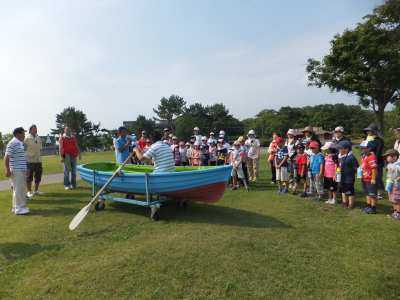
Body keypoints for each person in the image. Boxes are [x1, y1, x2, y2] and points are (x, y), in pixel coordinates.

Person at [4, 127, 30, 215]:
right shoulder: (13, 143)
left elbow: (22, 158)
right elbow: (6, 157)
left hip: (21, 169)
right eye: (23, 133)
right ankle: (19, 208)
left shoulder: (19, 143)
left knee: (19, 189)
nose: (24, 135)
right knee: (19, 189)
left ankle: (16, 207)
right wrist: (7, 169)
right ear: (18, 134)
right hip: (16, 169)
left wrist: (26, 169)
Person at [364, 124, 384, 196]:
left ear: (374, 131)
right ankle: (372, 190)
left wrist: (374, 159)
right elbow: (363, 149)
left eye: (369, 130)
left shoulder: (379, 140)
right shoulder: (367, 139)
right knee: (369, 175)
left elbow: (378, 152)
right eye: (367, 131)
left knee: (377, 176)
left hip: (377, 161)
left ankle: (380, 191)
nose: (368, 132)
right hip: (367, 160)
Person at [337, 141, 358, 209]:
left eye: (340, 148)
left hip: (349, 178)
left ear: (346, 149)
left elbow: (356, 168)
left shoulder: (351, 157)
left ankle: (350, 204)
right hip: (342, 178)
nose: (339, 150)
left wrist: (354, 175)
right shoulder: (340, 157)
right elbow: (339, 166)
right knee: (343, 190)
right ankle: (344, 202)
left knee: (349, 192)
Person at [24, 125, 43, 198]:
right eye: (34, 129)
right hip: (29, 160)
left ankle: (36, 190)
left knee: (38, 176)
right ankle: (29, 191)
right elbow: (24, 149)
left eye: (36, 129)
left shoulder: (38, 138)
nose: (36, 130)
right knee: (29, 177)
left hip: (38, 160)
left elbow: (40, 148)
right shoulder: (27, 138)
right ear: (30, 130)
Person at [360, 140, 378, 214]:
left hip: (370, 179)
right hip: (365, 178)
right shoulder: (364, 156)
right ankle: (368, 206)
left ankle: (373, 208)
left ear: (369, 148)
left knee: (372, 194)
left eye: (364, 148)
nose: (362, 149)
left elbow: (374, 169)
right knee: (367, 193)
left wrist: (373, 178)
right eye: (361, 148)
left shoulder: (371, 157)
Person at [383, 149, 400, 220]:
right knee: (392, 199)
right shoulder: (389, 164)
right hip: (390, 185)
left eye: (387, 156)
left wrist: (398, 179)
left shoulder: (398, 165)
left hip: (396, 186)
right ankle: (395, 212)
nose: (386, 158)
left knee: (397, 200)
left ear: (394, 157)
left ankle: (398, 214)